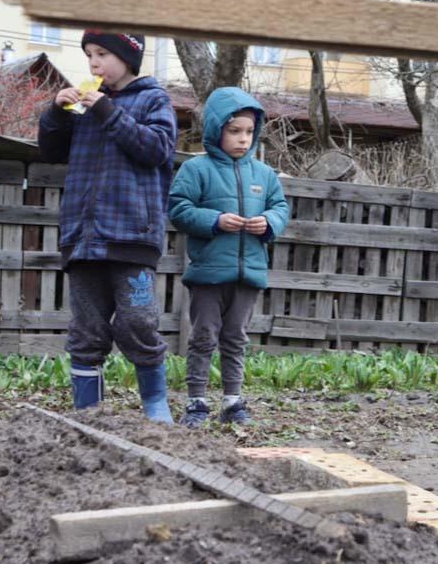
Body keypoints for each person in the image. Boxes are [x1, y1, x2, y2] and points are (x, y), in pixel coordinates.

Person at [38, 30, 178, 422]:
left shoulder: (153, 99)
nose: (93, 63)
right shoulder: (83, 104)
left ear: (128, 58)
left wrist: (107, 111)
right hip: (82, 237)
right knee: (86, 331)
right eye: (88, 56)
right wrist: (55, 114)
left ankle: (155, 407)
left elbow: (157, 150)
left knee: (138, 323)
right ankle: (89, 417)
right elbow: (50, 153)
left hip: (131, 235)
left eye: (102, 54)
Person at [169, 87, 290, 427]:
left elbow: (280, 208)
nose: (242, 139)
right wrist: (215, 221)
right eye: (234, 130)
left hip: (249, 273)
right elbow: (178, 209)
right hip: (208, 273)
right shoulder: (197, 169)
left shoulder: (264, 175)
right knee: (204, 336)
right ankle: (196, 402)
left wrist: (268, 223)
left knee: (236, 337)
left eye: (249, 132)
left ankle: (233, 402)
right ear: (215, 129)